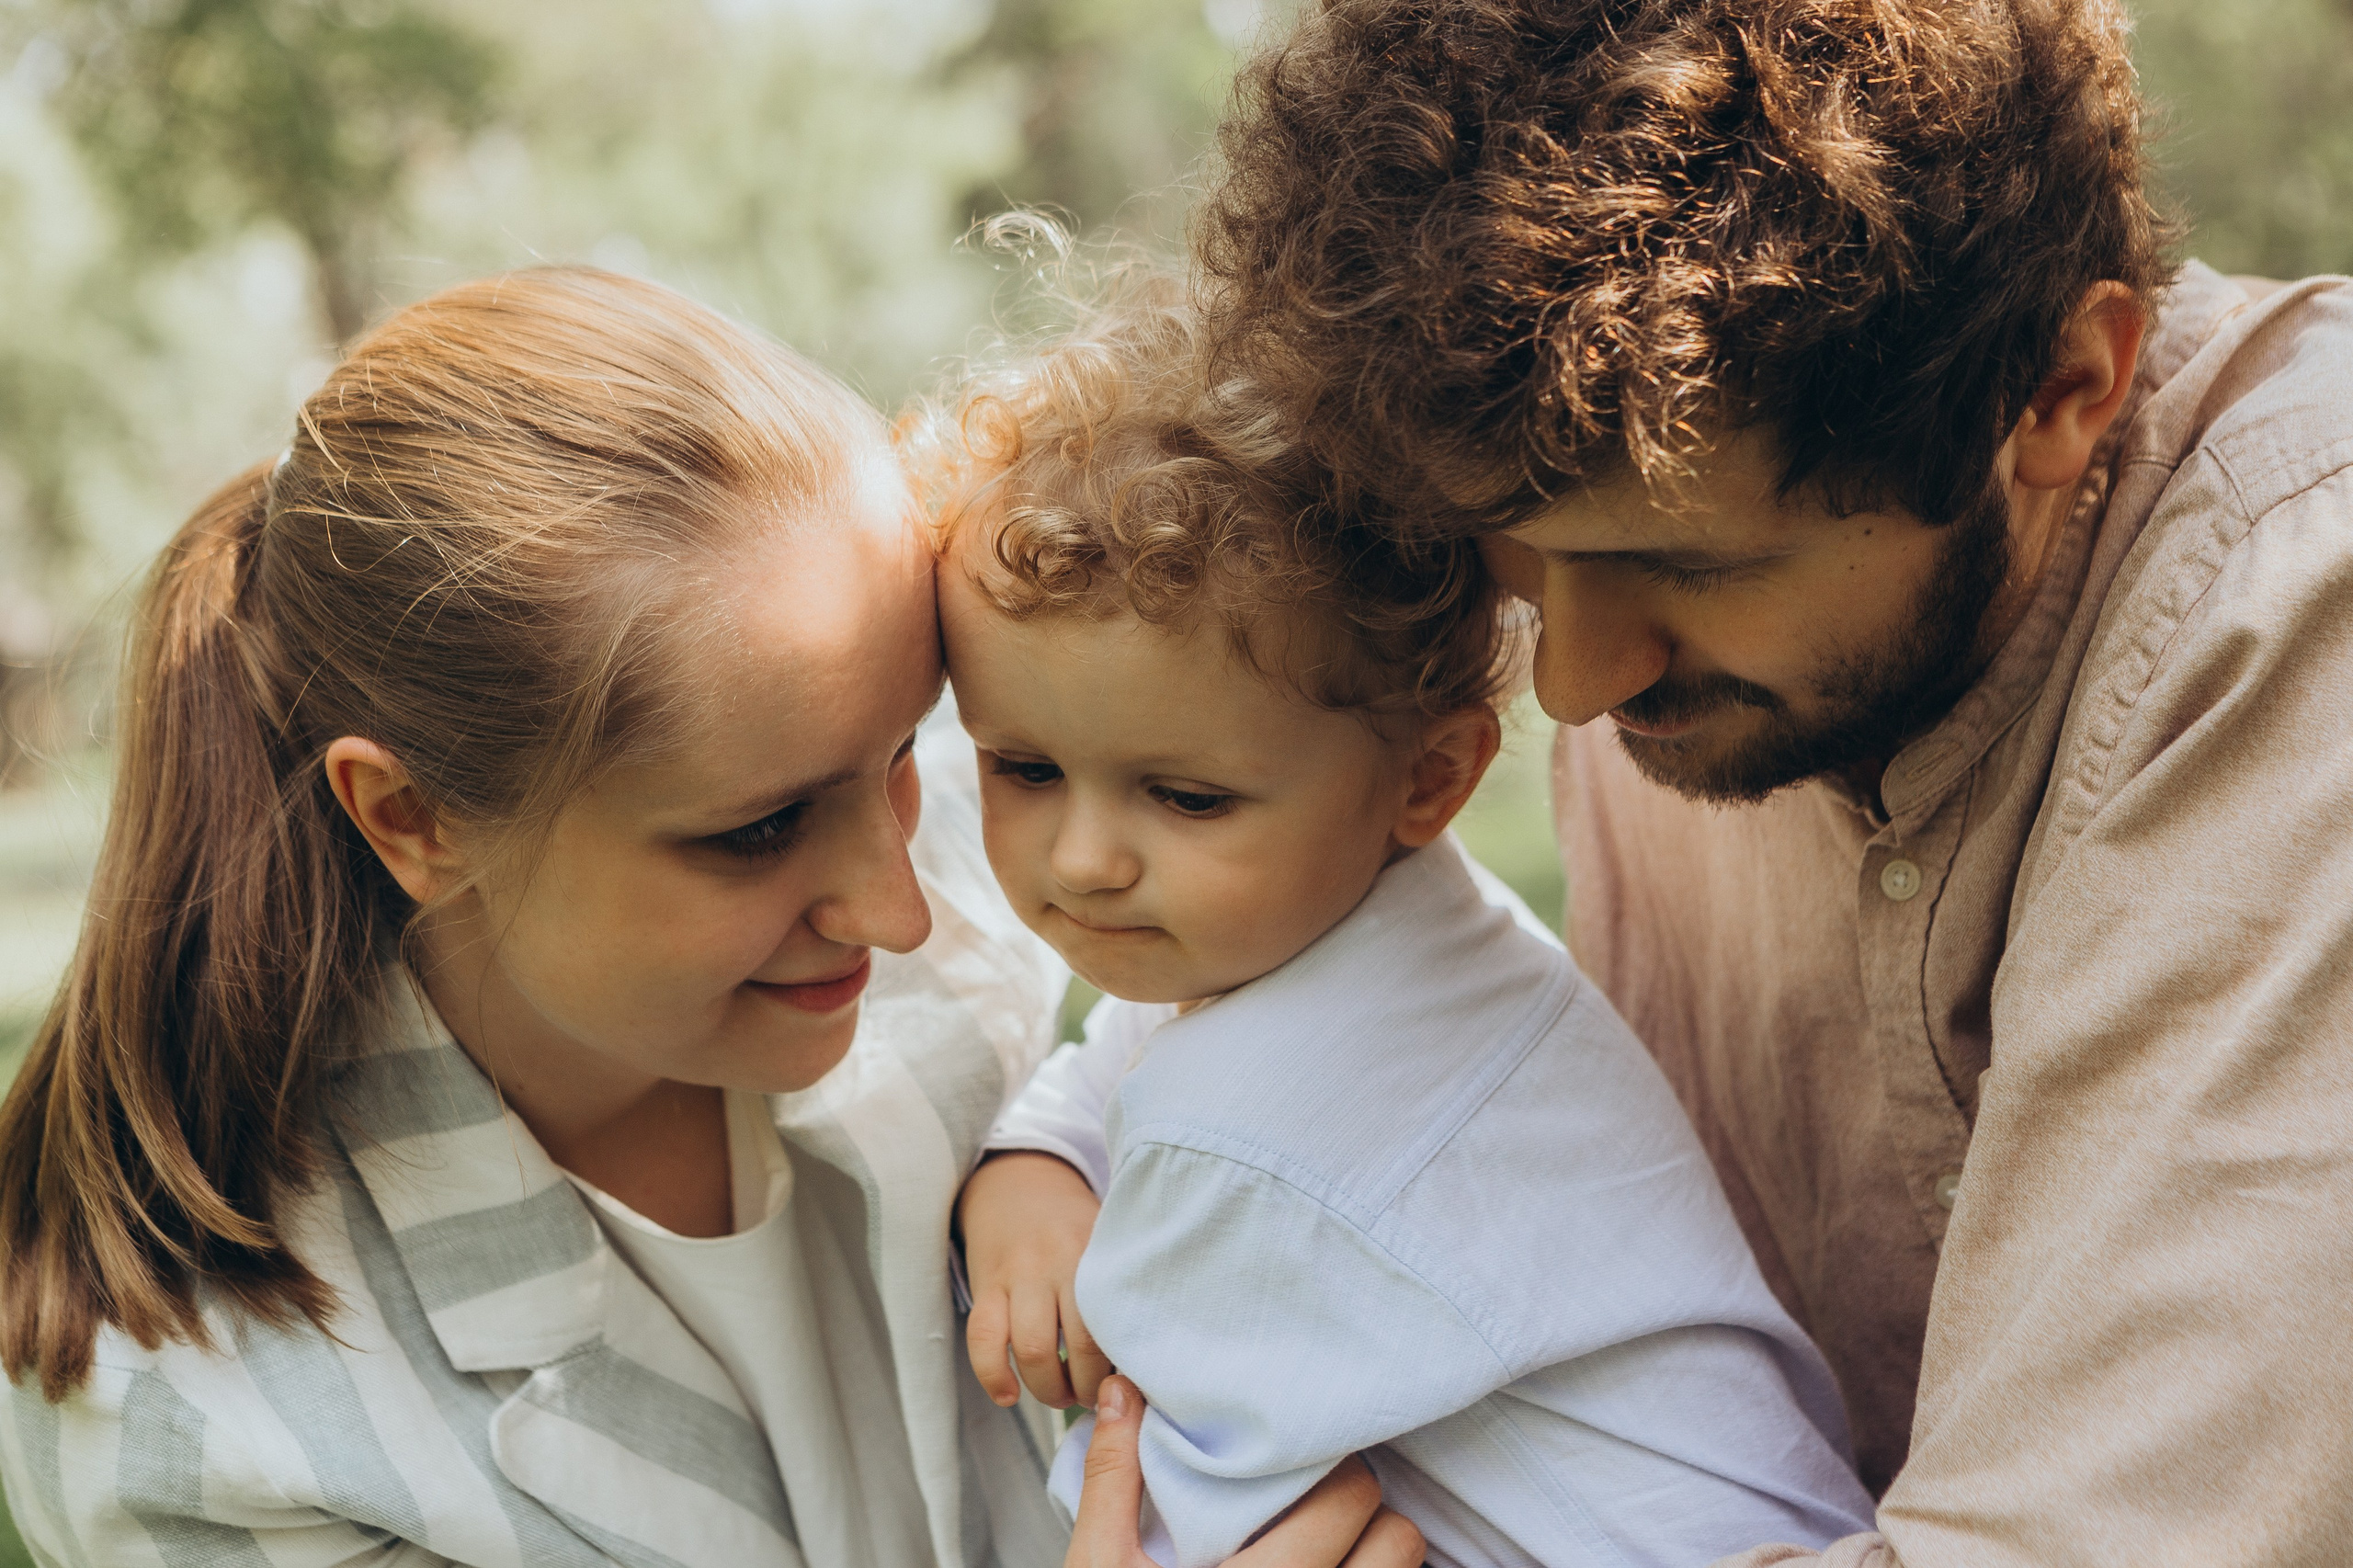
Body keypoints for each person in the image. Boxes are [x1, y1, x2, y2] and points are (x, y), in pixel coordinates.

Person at [0, 267, 1419, 1568]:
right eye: (757, 831)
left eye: (906, 762)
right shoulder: (199, 1433)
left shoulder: (1007, 881)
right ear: (414, 820)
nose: (907, 912)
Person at [1179, 0, 2353, 1562]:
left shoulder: (2293, 593)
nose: (1576, 687)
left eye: (1689, 564)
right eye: (1521, 556)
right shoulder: (1677, 680)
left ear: (2064, 389)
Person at [925, 285, 1875, 1567]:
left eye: (1188, 795)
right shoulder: (1396, 945)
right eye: (1023, 768)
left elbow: (1164, 1520)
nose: (1083, 859)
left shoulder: (1248, 1150)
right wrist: (1033, 1161)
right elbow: (1133, 1056)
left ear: (1429, 779)